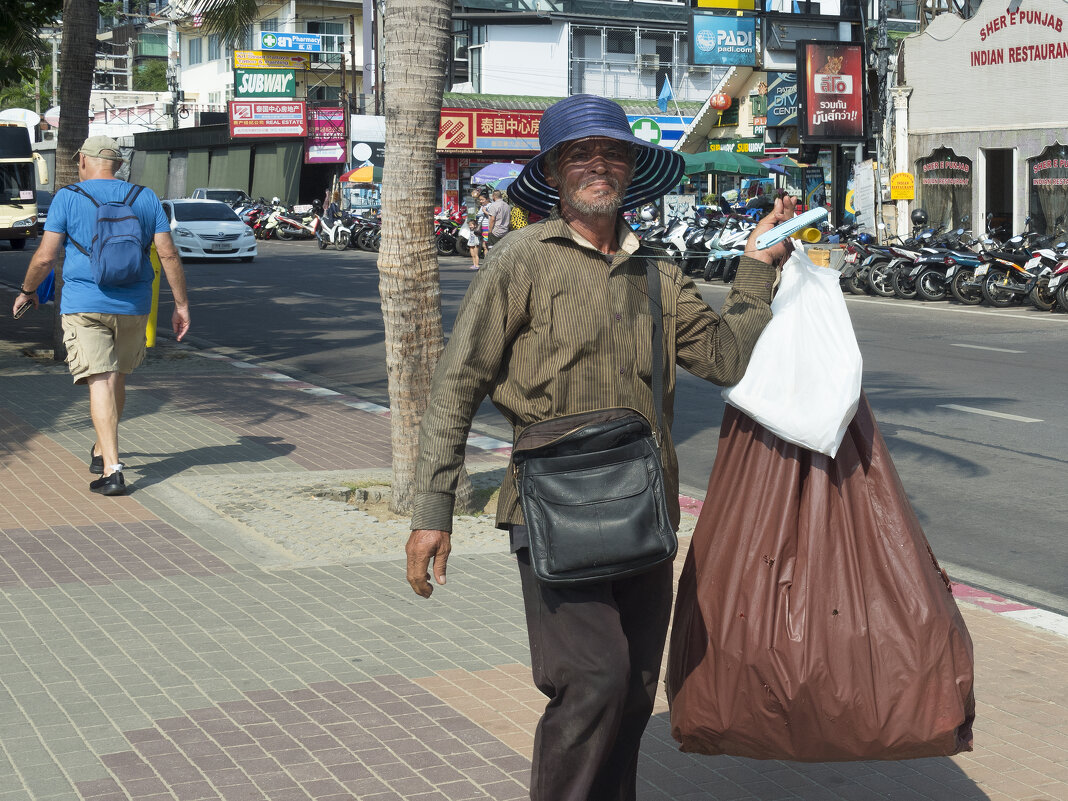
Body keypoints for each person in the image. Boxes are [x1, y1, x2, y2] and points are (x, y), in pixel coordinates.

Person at [405, 94, 797, 801]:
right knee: (593, 677)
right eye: (580, 154)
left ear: (631, 167)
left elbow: (724, 358)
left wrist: (756, 267)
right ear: (554, 172)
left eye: (611, 152)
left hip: (643, 509)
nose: (597, 166)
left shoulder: (657, 271)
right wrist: (432, 507)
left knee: (636, 687)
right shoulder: (521, 259)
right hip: (552, 506)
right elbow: (458, 380)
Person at [11, 135, 190, 497]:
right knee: (117, 376)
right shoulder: (145, 197)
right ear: (118, 165)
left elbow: (46, 257)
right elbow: (168, 255)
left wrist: (27, 291)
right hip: (134, 305)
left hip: (84, 304)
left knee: (100, 379)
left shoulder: (68, 197)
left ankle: (112, 469)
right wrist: (181, 305)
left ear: (83, 162)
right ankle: (100, 448)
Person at [464, 187, 485, 270]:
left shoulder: (479, 207)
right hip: (471, 237)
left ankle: (477, 264)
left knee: (476, 252)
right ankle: (474, 264)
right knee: (472, 252)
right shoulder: (472, 206)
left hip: (476, 236)